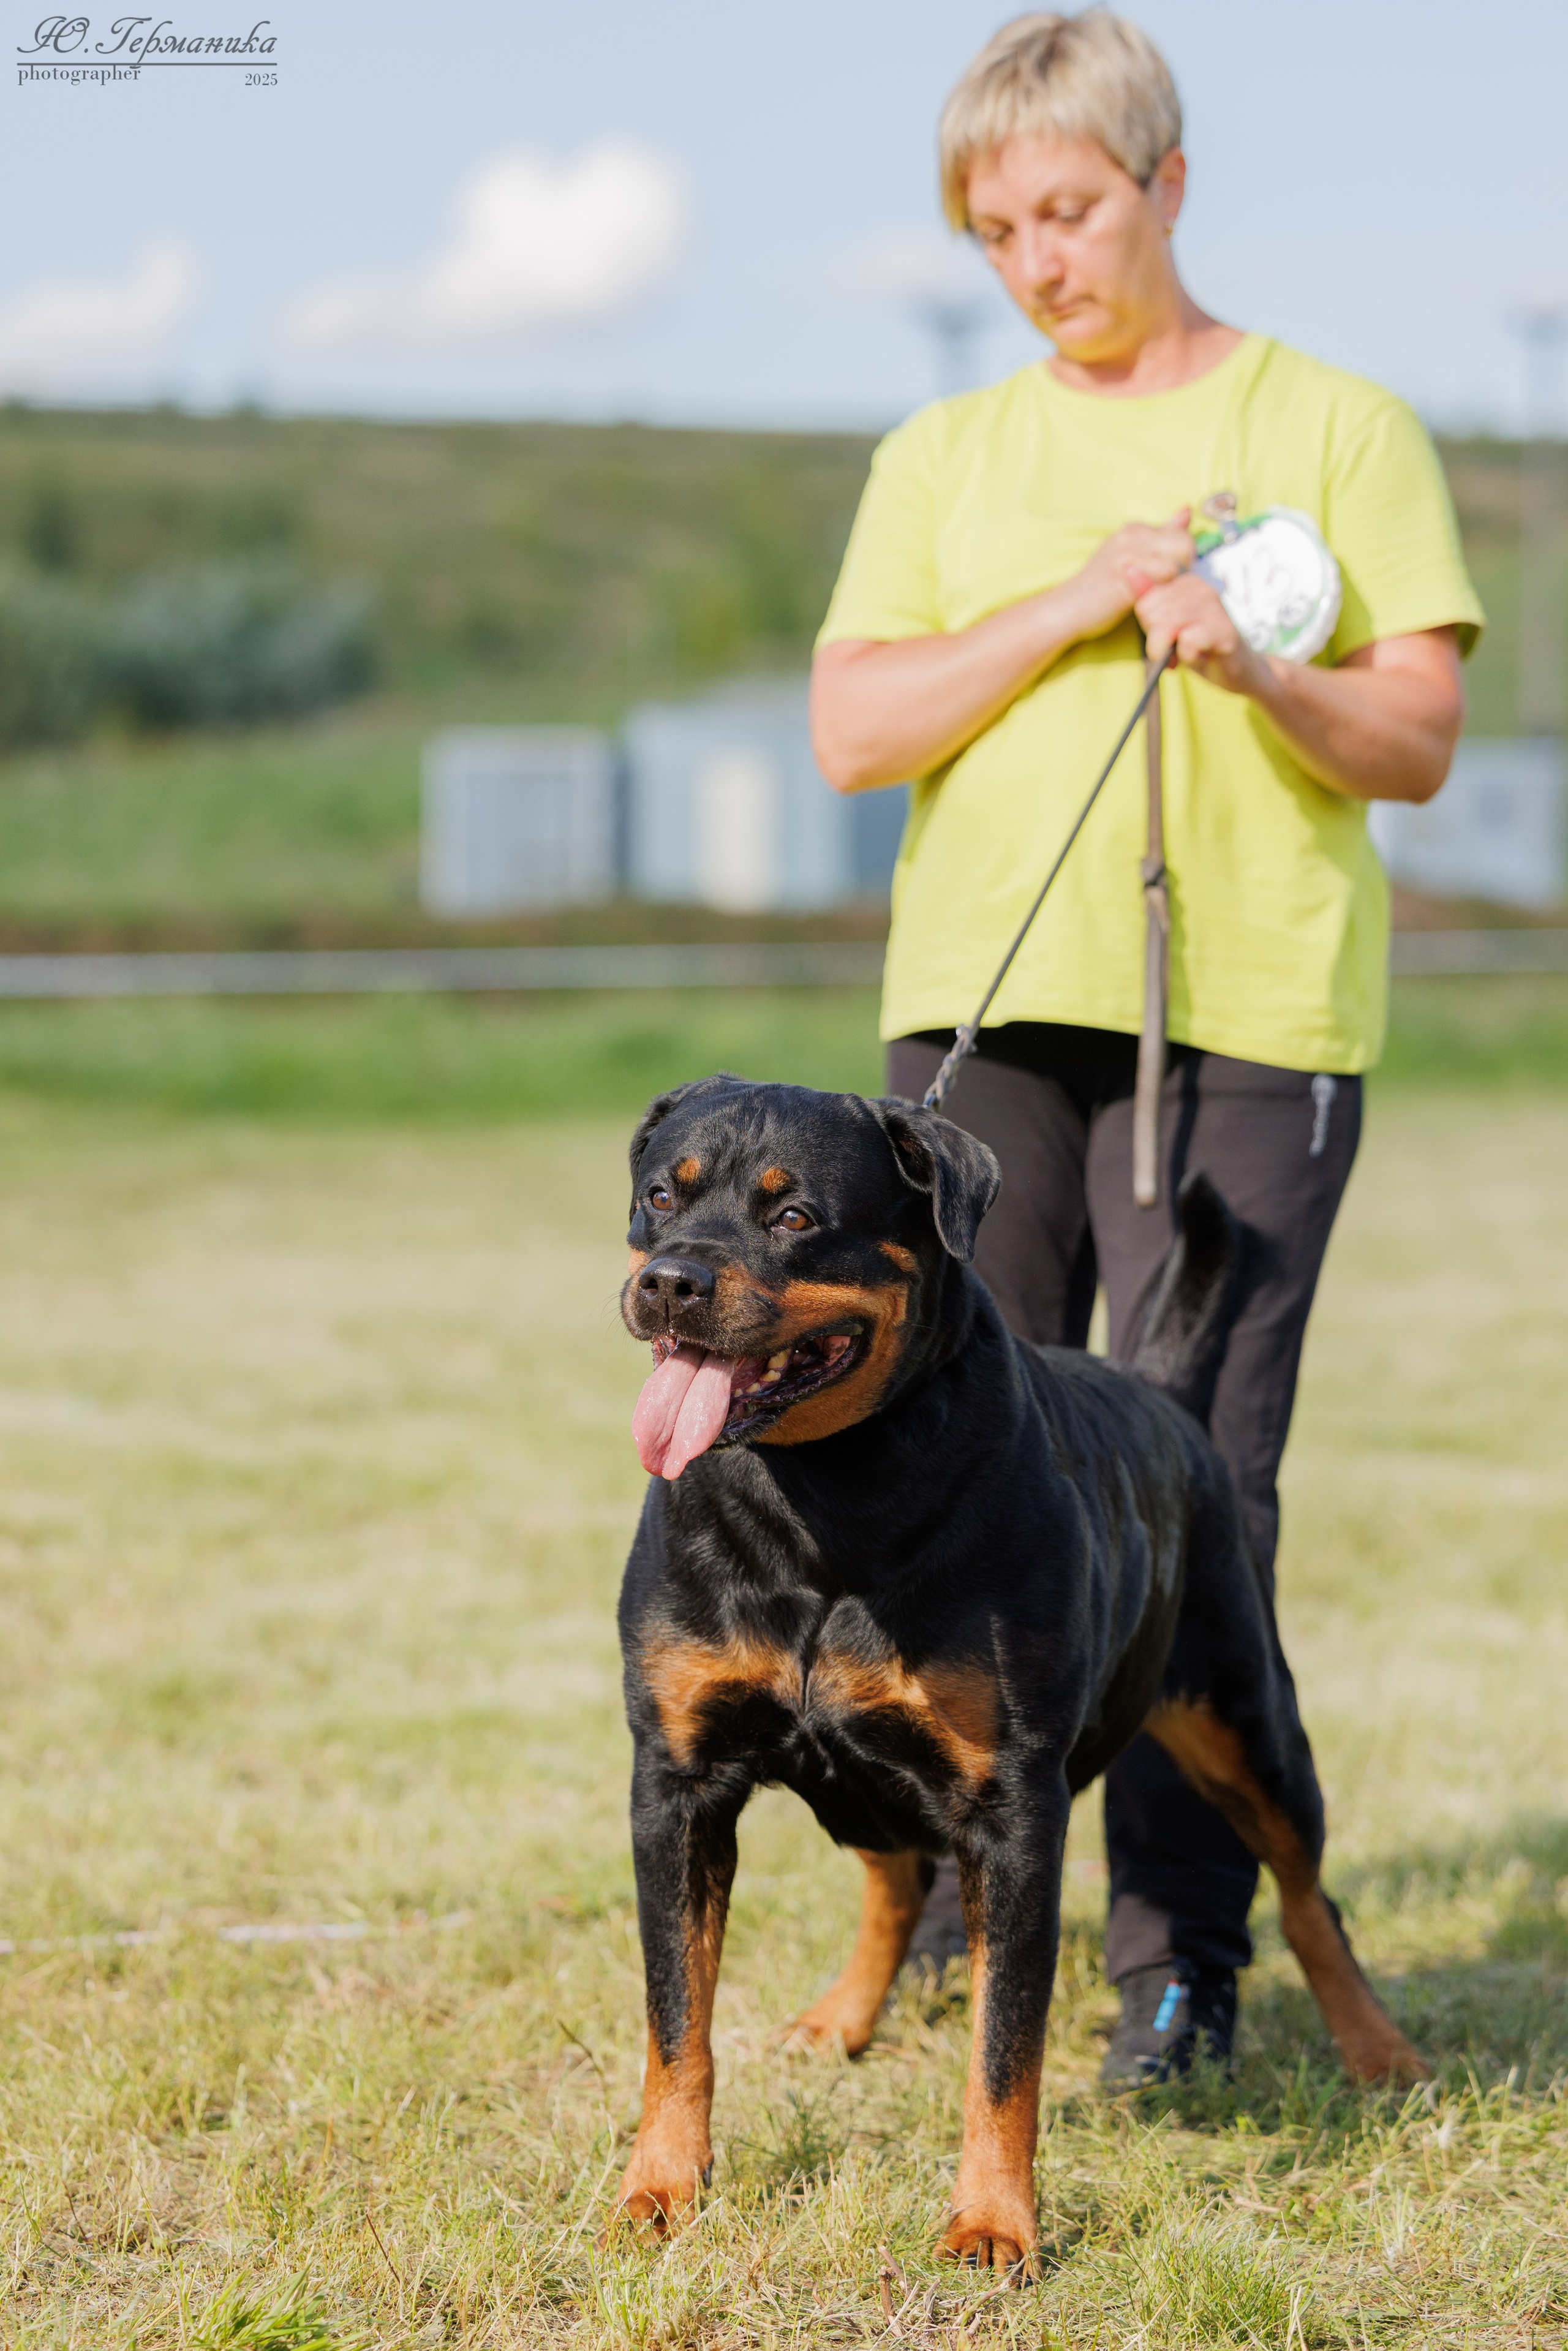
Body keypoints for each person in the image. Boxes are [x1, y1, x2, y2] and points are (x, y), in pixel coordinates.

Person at [810, 10, 1482, 2086]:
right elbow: (855, 733)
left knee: (1198, 1485)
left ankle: (1178, 1965)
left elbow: (1422, 744)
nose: (1039, 256)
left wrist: (1261, 665)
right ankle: (933, 1887)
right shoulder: (943, 457)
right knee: (935, 1458)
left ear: (1169, 184)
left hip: (1256, 1020)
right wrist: (1078, 603)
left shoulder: (1345, 423)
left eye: (1072, 208)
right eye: (997, 226)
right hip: (988, 1022)